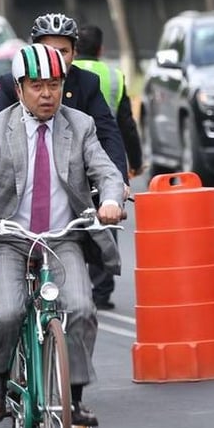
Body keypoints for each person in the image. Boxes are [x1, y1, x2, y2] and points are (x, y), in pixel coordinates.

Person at [0, 43, 124, 428]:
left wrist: (111, 201)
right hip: (9, 236)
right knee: (9, 312)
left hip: (63, 237)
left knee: (81, 308)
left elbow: (107, 173)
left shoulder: (81, 125)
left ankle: (74, 397)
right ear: (19, 89)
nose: (47, 94)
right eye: (36, 86)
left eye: (54, 84)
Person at [0, 12, 128, 183]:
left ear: (75, 53)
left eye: (63, 51)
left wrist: (118, 182)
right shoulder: (13, 82)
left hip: (77, 181)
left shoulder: (87, 83)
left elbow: (108, 135)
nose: (55, 58)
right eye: (36, 87)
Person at [74, 23, 144, 310]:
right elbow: (125, 123)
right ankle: (101, 290)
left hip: (72, 155)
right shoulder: (113, 76)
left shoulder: (63, 74)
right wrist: (135, 162)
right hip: (106, 154)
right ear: (101, 49)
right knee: (107, 215)